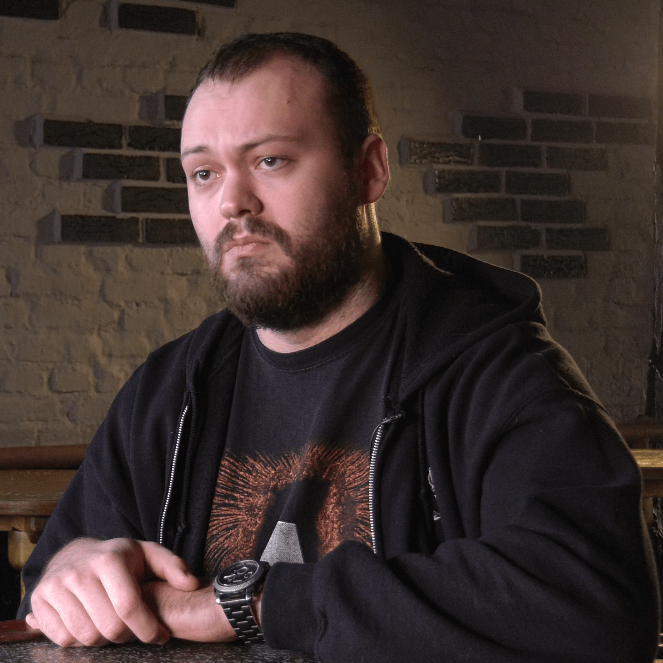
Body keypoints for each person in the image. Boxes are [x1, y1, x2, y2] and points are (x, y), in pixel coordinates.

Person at [18, 32, 660, 662]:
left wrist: (252, 603)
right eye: (204, 173)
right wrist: (69, 569)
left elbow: (596, 608)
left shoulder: (494, 368)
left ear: (369, 170)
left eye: (270, 160)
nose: (232, 202)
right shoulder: (170, 390)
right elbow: (46, 603)